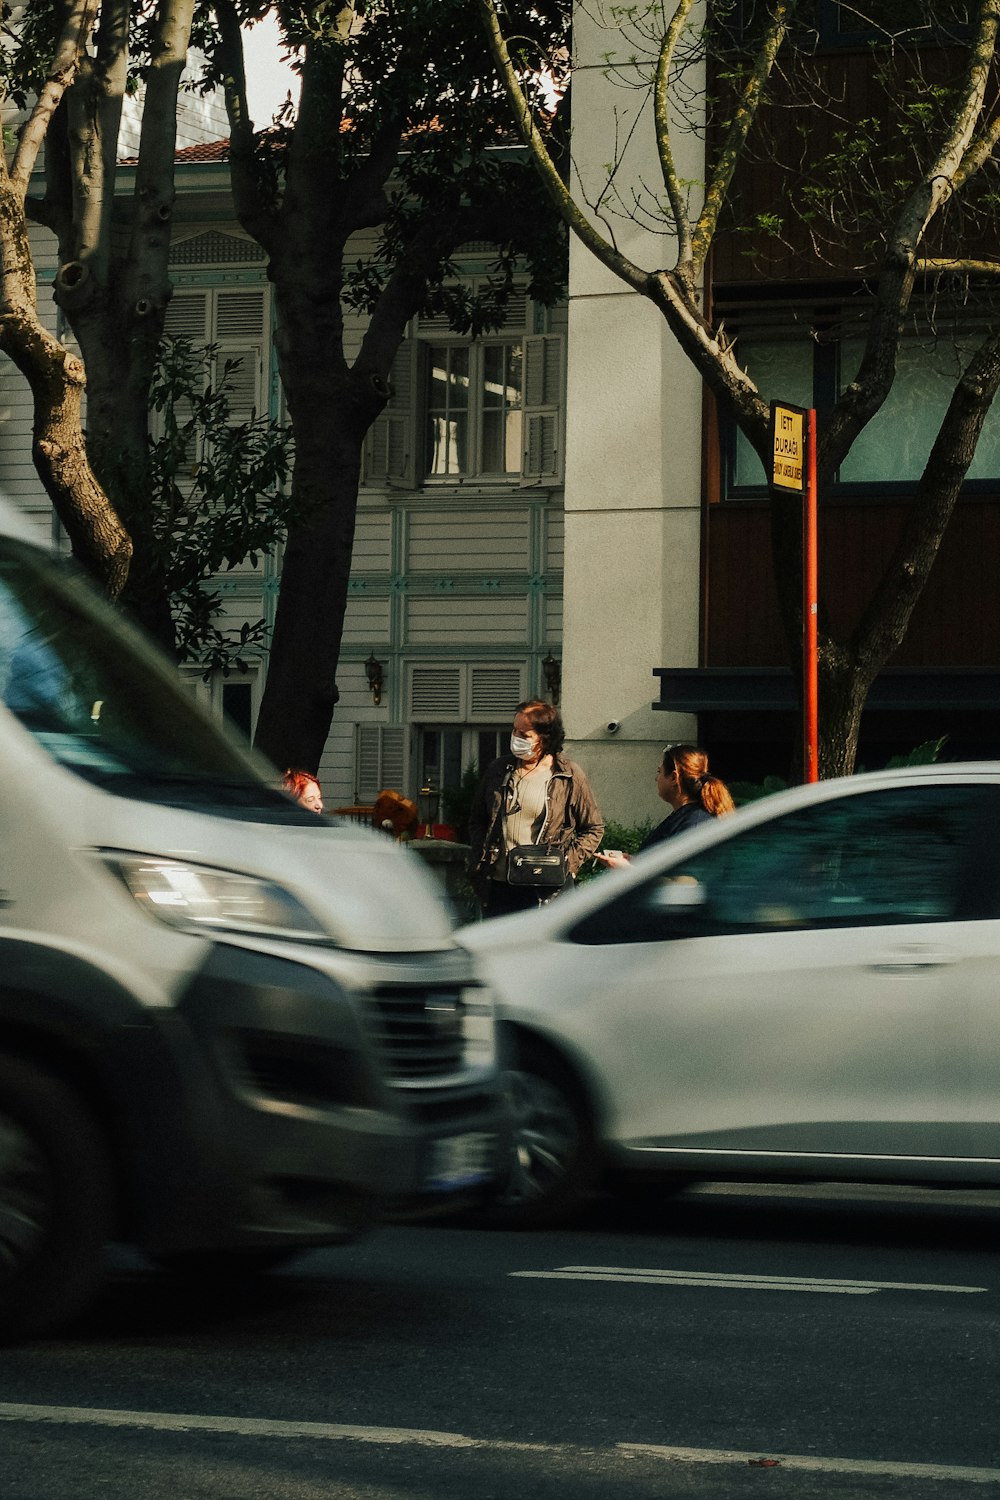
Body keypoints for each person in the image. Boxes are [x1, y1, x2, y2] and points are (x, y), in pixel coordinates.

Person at [468, 699, 604, 916]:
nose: (516, 738)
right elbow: (477, 819)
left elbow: (593, 828)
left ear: (545, 737)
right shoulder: (498, 770)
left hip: (546, 889)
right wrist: (480, 853)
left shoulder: (568, 776)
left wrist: (567, 862)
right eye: (514, 731)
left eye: (525, 735)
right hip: (499, 885)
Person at [594, 744, 734, 869]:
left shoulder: (694, 824)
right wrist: (635, 861)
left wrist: (628, 870)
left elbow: (684, 885)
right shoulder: (683, 817)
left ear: (673, 778)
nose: (656, 778)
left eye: (659, 772)